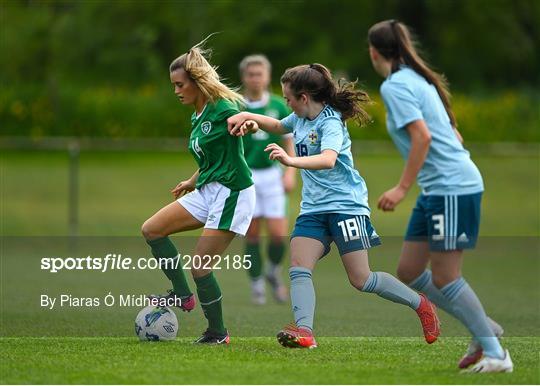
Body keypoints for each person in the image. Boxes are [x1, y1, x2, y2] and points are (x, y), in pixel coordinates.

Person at [227, 63, 440, 349]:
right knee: (299, 266)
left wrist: (290, 161)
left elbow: (327, 159)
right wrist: (247, 116)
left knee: (361, 279)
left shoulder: (330, 122)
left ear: (304, 98)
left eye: (289, 98)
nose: (286, 103)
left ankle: (421, 304)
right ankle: (305, 333)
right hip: (313, 209)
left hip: (346, 207)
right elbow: (277, 125)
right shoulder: (299, 118)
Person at [367, 20, 512, 373]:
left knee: (446, 276)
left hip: (451, 187)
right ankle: (484, 326)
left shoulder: (396, 86)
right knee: (410, 271)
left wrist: (401, 188)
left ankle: (497, 355)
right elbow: (451, 135)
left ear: (373, 52)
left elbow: (423, 138)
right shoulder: (417, 79)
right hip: (438, 188)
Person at [141, 39, 255, 345]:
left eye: (180, 85)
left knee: (201, 266)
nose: (176, 91)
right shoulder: (198, 113)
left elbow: (242, 123)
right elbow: (212, 157)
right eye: (173, 85)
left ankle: (218, 333)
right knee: (152, 230)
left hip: (233, 193)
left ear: (196, 82)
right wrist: (193, 180)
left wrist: (247, 126)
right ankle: (181, 294)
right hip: (207, 189)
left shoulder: (222, 107)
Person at [239, 54, 296, 305]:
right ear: (244, 77)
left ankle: (273, 271)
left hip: (272, 176)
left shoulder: (278, 105)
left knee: (277, 234)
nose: (255, 79)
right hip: (246, 176)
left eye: (259, 74)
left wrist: (290, 171)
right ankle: (256, 284)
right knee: (252, 234)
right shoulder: (235, 105)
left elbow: (289, 140)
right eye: (251, 74)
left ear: (267, 77)